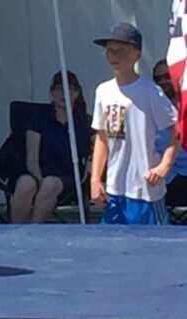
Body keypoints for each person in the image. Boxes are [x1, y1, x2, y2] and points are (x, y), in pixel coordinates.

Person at [90, 23, 179, 225]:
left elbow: (176, 128)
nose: (115, 56)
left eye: (121, 50)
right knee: (113, 246)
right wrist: (96, 179)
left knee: (152, 247)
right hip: (115, 188)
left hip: (144, 189)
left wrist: (165, 164)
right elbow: (102, 138)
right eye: (110, 51)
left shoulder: (149, 91)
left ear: (137, 55)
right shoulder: (103, 91)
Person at [10, 70, 92, 223]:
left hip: (67, 176)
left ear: (77, 93)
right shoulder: (39, 119)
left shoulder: (83, 122)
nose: (64, 93)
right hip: (39, 171)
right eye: (59, 88)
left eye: (70, 89)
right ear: (52, 93)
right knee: (24, 184)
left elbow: (94, 148)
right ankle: (17, 233)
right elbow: (32, 159)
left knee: (51, 184)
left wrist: (91, 160)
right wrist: (39, 180)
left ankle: (32, 233)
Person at [151, 60, 187, 206]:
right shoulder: (153, 109)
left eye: (167, 76)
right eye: (158, 79)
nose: (163, 81)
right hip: (166, 178)